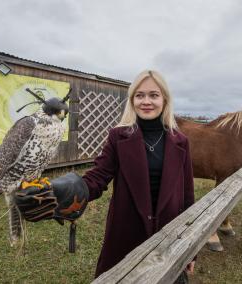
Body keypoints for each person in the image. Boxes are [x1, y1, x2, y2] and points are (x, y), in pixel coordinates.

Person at [82, 70, 196, 280]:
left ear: (165, 100)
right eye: (139, 95)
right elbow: (98, 176)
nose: (146, 101)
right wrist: (72, 189)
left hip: (169, 237)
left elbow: (188, 196)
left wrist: (190, 247)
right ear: (132, 99)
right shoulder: (118, 137)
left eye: (153, 95)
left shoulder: (180, 141)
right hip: (126, 232)